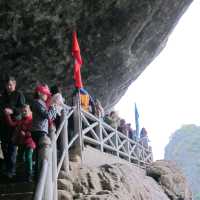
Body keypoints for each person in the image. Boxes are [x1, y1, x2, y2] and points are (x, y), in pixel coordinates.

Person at [0, 76, 25, 178]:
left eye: (11, 85)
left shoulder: (19, 95)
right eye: (7, 85)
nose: (9, 86)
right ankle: (6, 168)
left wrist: (13, 111)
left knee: (12, 147)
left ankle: (12, 170)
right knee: (4, 147)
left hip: (14, 125)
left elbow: (23, 109)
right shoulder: (2, 95)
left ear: (14, 84)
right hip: (3, 125)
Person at [31, 84, 58, 178]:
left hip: (40, 129)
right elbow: (47, 115)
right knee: (40, 152)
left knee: (39, 152)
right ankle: (39, 174)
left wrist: (52, 109)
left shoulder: (40, 103)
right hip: (39, 130)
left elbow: (50, 116)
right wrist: (53, 108)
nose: (47, 96)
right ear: (39, 93)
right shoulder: (37, 102)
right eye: (45, 94)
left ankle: (38, 173)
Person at [5, 104, 35, 182]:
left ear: (29, 111)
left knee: (28, 157)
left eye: (25, 111)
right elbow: (12, 124)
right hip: (22, 142)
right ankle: (24, 173)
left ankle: (29, 174)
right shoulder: (20, 120)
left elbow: (33, 130)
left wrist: (26, 134)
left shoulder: (32, 119)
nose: (24, 112)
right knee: (20, 157)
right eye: (22, 111)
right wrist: (8, 115)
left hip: (30, 142)